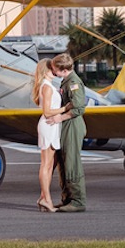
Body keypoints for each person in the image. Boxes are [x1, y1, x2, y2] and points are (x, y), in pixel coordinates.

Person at [48, 52, 87, 212]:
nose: (53, 71)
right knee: (63, 163)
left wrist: (60, 118)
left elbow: (78, 107)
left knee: (72, 163)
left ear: (63, 69)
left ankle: (78, 201)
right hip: (66, 125)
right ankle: (67, 199)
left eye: (55, 69)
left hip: (72, 124)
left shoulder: (73, 83)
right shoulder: (66, 81)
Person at [32, 58, 69, 212]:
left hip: (53, 126)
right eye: (51, 68)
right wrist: (65, 108)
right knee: (46, 165)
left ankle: (43, 197)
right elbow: (47, 112)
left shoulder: (48, 86)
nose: (54, 71)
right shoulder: (46, 87)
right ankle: (47, 200)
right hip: (48, 125)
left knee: (49, 164)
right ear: (45, 70)